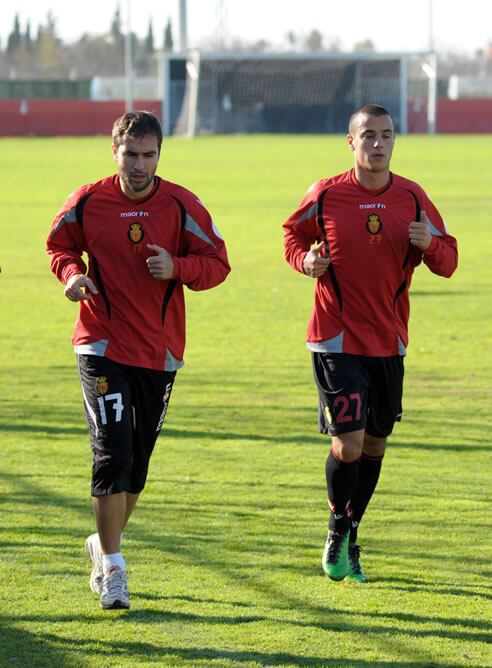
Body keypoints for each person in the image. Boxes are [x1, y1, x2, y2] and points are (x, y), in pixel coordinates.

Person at [47, 111, 230, 609]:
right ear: (115, 152)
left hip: (159, 352)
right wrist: (70, 275)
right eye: (131, 154)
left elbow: (218, 263)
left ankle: (101, 545)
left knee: (137, 469)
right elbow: (60, 245)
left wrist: (178, 267)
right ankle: (114, 567)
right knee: (112, 454)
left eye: (149, 155)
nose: (140, 165)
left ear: (159, 155)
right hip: (101, 344)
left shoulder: (181, 204)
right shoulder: (88, 200)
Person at [283, 104, 457, 582]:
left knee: (376, 445)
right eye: (368, 135)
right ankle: (339, 529)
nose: (377, 144)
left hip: (389, 340)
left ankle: (350, 532)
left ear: (394, 141)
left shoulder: (412, 197)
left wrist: (429, 245)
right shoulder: (326, 194)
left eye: (386, 135)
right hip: (335, 338)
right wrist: (305, 262)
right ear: (351, 142)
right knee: (350, 443)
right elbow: (292, 238)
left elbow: (449, 260)